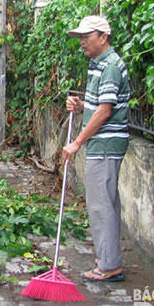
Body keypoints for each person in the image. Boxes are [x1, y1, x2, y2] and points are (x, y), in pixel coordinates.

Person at [62, 16, 130, 283]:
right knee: (105, 203)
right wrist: (80, 105)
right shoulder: (99, 65)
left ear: (103, 36)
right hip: (102, 144)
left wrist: (77, 142)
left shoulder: (111, 66)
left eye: (86, 36)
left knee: (101, 205)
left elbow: (105, 111)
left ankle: (110, 265)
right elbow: (98, 105)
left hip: (105, 145)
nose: (82, 42)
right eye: (80, 37)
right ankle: (108, 259)